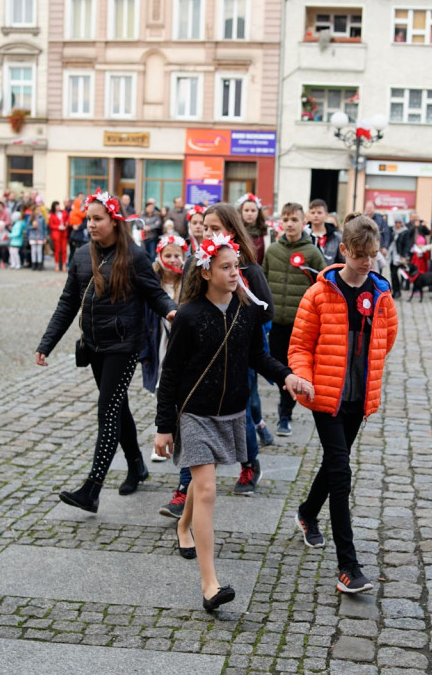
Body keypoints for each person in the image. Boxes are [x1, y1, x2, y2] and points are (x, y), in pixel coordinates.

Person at [153, 232, 311, 612]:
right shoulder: (188, 316)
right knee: (207, 488)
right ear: (206, 271)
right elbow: (170, 373)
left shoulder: (246, 311)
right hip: (193, 414)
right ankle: (210, 585)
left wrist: (286, 376)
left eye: (235, 266)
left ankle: (182, 525)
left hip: (231, 413)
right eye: (225, 267)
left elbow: (259, 355)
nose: (234, 274)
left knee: (200, 483)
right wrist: (163, 426)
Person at [36, 189, 177, 511]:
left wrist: (171, 311)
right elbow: (68, 302)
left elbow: (155, 294)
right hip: (94, 343)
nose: (91, 225)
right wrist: (47, 343)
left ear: (114, 221)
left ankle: (93, 488)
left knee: (107, 410)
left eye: (97, 219)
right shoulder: (82, 254)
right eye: (88, 219)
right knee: (117, 405)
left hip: (125, 345)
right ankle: (137, 465)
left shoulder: (135, 255)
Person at [290, 215, 398, 594]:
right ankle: (348, 567)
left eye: (371, 254)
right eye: (359, 255)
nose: (366, 262)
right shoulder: (320, 293)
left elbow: (388, 337)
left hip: (357, 397)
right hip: (325, 395)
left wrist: (368, 371)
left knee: (336, 463)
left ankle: (307, 512)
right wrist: (304, 377)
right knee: (341, 472)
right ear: (344, 250)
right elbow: (300, 344)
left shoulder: (381, 293)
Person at [263, 202, 326, 439]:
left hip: (301, 325)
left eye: (294, 220)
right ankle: (283, 408)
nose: (290, 224)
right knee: (279, 368)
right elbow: (263, 283)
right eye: (286, 219)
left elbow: (323, 285)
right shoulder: (272, 251)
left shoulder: (312, 253)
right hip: (277, 322)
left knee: (294, 369)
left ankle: (285, 415)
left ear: (303, 223)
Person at [141, 233, 186, 462]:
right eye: (168, 255)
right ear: (159, 257)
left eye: (177, 255)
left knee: (181, 391)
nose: (173, 259)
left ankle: (177, 438)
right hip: (158, 343)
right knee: (162, 391)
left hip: (180, 344)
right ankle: (162, 438)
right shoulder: (151, 281)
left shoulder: (188, 282)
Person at [307, 199, 341, 263]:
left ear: (326, 214)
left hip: (329, 272)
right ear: (309, 215)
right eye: (313, 213)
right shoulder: (303, 234)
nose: (316, 215)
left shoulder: (336, 237)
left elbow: (342, 260)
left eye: (319, 212)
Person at [239, 194, 268, 266]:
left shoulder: (267, 232)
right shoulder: (235, 231)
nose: (249, 213)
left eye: (253, 210)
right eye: (246, 210)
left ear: (258, 212)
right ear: (241, 212)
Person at [48, 201, 68, 272]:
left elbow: (67, 220)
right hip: (56, 234)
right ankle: (56, 265)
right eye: (56, 206)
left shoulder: (64, 212)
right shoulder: (52, 215)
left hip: (64, 233)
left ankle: (63, 265)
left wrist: (66, 224)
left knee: (64, 250)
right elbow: (51, 225)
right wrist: (58, 227)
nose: (58, 207)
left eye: (58, 205)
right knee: (57, 250)